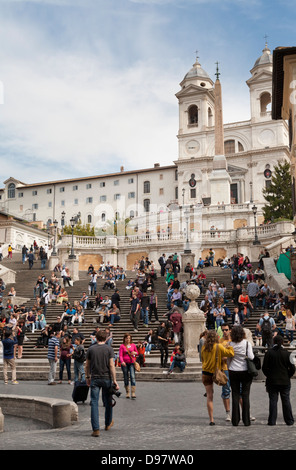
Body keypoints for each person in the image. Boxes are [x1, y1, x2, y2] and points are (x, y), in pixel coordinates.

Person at [85, 330, 119, 437]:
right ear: (105, 338)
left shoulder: (91, 349)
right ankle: (108, 423)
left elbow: (87, 365)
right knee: (108, 401)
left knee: (94, 403)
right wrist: (115, 380)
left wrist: (87, 377)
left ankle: (96, 429)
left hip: (95, 378)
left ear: (96, 338)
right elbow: (111, 365)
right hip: (107, 378)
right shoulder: (109, 349)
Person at [201, 329, 234, 425]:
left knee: (210, 397)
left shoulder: (204, 347)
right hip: (215, 372)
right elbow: (231, 353)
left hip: (205, 373)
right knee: (225, 388)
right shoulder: (218, 346)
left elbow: (202, 359)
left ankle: (211, 419)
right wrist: (229, 347)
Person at [262, 334, 295, 426]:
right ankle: (289, 420)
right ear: (282, 342)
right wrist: (288, 375)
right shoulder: (287, 353)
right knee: (286, 400)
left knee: (273, 400)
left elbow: (264, 368)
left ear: (274, 342)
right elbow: (292, 368)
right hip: (284, 380)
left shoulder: (269, 353)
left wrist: (269, 375)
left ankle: (272, 421)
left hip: (272, 381)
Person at [227, 324, 254, 426]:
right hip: (245, 371)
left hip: (233, 370)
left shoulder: (230, 344)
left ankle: (235, 420)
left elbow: (229, 359)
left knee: (235, 395)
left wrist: (230, 367)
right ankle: (246, 420)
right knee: (246, 395)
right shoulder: (247, 343)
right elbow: (251, 357)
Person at [119, 333, 138, 399]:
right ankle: (127, 392)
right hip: (125, 363)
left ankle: (133, 392)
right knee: (126, 377)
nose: (128, 339)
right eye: (127, 338)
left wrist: (135, 353)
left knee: (132, 376)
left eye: (129, 338)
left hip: (132, 362)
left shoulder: (133, 345)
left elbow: (137, 352)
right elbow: (120, 355)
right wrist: (122, 361)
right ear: (124, 339)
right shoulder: (122, 346)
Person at [219, 324, 232, 422]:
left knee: (240, 391)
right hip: (225, 368)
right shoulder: (220, 341)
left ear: (230, 330)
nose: (224, 332)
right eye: (223, 330)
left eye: (226, 330)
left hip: (235, 368)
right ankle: (228, 413)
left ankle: (245, 412)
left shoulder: (235, 341)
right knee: (226, 390)